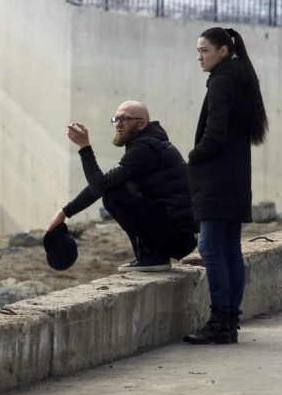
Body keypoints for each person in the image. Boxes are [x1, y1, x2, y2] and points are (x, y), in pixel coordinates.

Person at [183, 27, 269, 345]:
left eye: (204, 51)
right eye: (198, 51)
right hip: (236, 177)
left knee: (210, 248)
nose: (199, 57)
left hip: (217, 178)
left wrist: (194, 156)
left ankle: (220, 320)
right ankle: (230, 320)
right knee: (230, 248)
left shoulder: (221, 81)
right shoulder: (241, 78)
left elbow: (215, 133)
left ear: (222, 52)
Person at [45, 101, 198, 272]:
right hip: (179, 237)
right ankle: (150, 256)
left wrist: (84, 147)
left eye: (124, 119)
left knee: (113, 194)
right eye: (116, 119)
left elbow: (100, 186)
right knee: (113, 189)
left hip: (177, 239)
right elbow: (104, 183)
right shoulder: (148, 144)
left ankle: (152, 256)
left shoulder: (145, 148)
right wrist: (65, 212)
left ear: (141, 124)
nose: (118, 124)